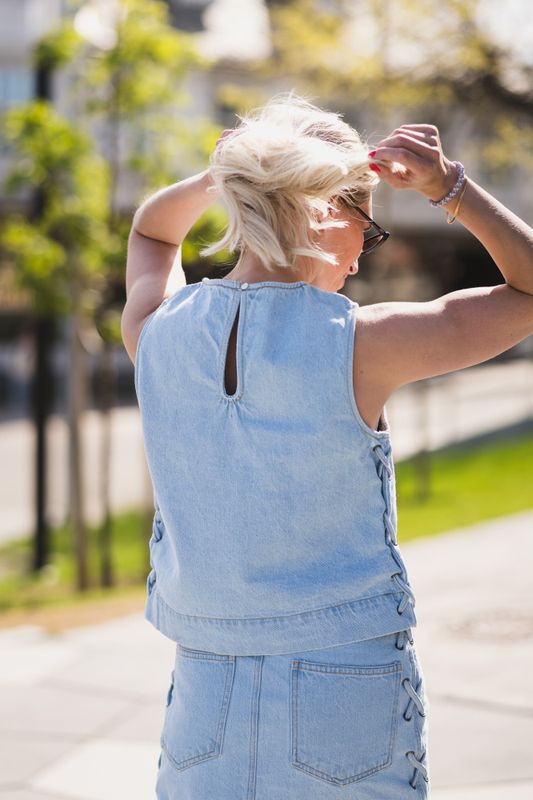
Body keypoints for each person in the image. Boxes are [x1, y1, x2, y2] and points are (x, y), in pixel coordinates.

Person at [121, 92, 533, 800]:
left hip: (204, 690)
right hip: (344, 689)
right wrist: (449, 188)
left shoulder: (156, 332)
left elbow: (152, 236)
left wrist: (220, 175)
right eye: (366, 225)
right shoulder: (360, 341)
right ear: (326, 209)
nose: (361, 257)